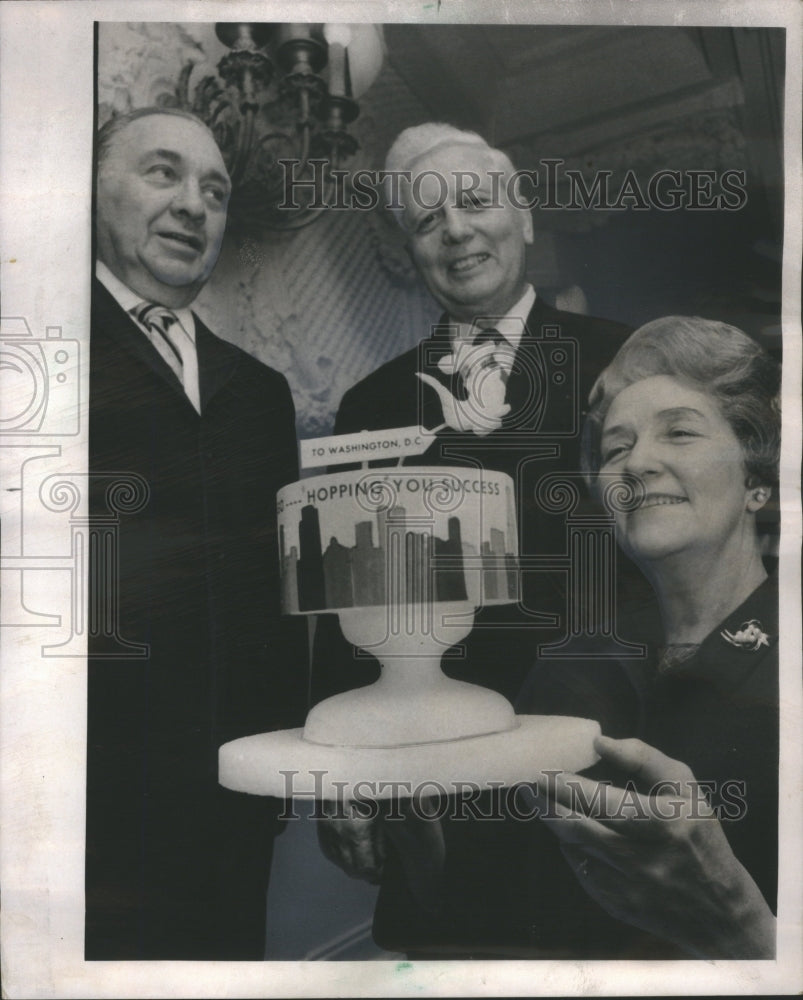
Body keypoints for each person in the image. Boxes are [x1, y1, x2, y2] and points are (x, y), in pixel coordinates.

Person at [311, 123, 641, 950]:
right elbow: (348, 614)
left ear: (522, 217)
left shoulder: (628, 365)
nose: (455, 230)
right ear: (409, 252)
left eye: (473, 202)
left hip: (613, 763)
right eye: (426, 222)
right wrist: (339, 775)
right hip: (438, 785)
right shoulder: (371, 407)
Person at [86, 107, 306, 959]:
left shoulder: (260, 391)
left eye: (214, 189)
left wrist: (283, 766)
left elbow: (281, 594)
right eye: (162, 173)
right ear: (94, 193)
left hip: (232, 807)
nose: (193, 205)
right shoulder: (34, 348)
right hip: (82, 812)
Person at [513, 315, 780, 958]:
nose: (638, 464)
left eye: (680, 432)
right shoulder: (565, 671)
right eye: (615, 448)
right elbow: (504, 904)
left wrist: (740, 924)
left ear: (756, 478)